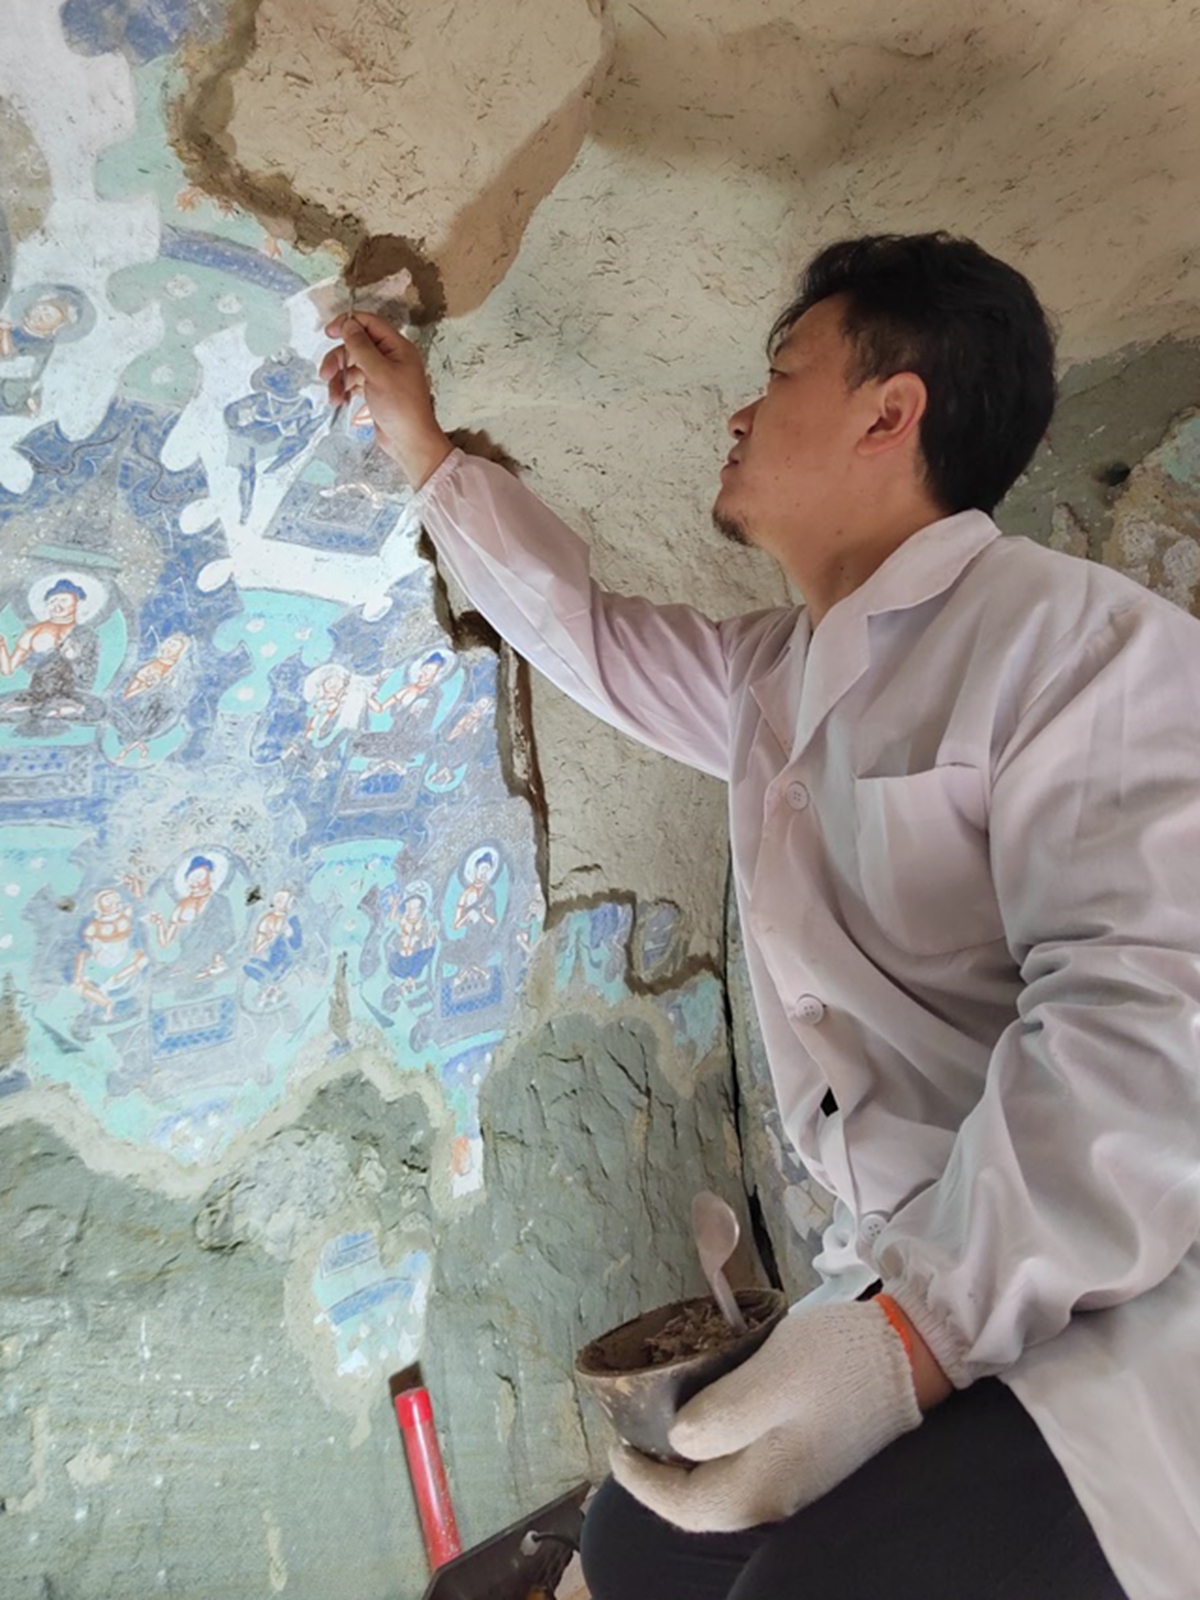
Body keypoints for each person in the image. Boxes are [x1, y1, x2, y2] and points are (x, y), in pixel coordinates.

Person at [320, 232, 1200, 1600]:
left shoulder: (1079, 647)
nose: (739, 411)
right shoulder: (773, 682)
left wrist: (912, 1335)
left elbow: (1148, 1031)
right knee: (632, 1550)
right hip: (916, 1280)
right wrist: (426, 451)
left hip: (1121, 1299)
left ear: (889, 412)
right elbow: (588, 637)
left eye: (780, 371)